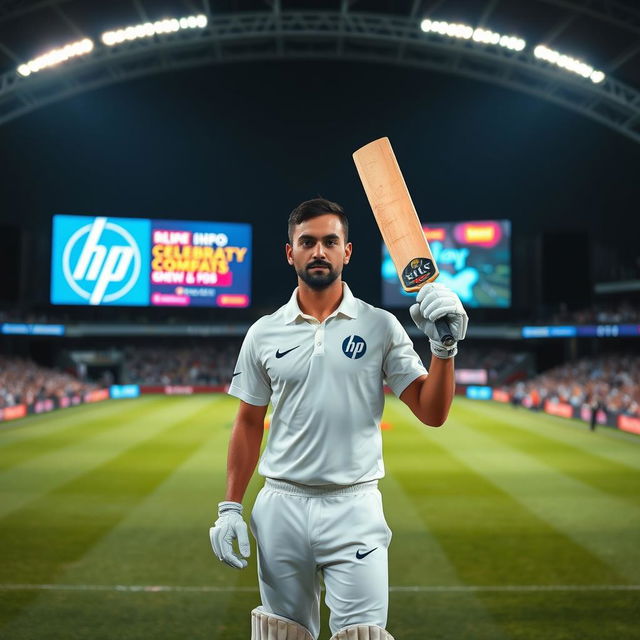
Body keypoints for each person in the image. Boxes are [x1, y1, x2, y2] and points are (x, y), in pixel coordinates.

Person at [209, 198, 468, 640]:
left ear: (347, 251)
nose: (319, 252)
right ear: (289, 252)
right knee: (280, 634)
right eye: (307, 242)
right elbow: (249, 422)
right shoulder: (263, 332)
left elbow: (433, 411)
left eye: (330, 241)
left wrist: (443, 350)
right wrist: (230, 505)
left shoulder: (381, 326)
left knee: (364, 635)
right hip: (281, 505)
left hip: (355, 505)